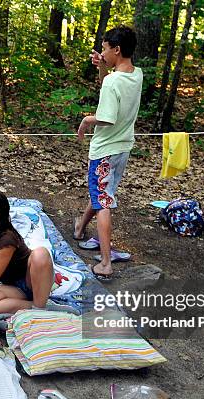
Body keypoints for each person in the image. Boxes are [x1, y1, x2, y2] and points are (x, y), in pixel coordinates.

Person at [74, 25, 142, 281]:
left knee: (103, 201)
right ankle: (80, 228)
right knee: (103, 191)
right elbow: (108, 85)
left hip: (105, 150)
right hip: (123, 148)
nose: (102, 52)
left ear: (117, 49)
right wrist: (102, 66)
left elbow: (107, 117)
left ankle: (105, 263)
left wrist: (87, 120)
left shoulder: (115, 80)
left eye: (105, 49)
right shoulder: (136, 75)